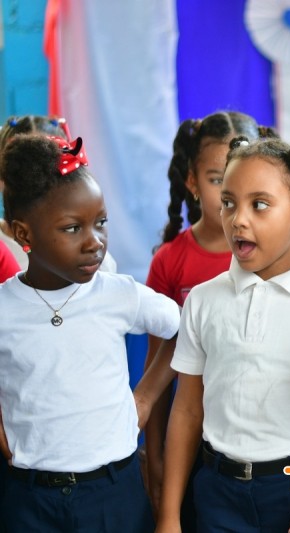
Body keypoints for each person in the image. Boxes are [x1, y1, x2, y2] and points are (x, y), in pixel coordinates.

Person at [156, 136, 290, 532]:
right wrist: (169, 515)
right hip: (218, 494)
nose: (238, 219)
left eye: (260, 204)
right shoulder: (203, 299)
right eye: (228, 202)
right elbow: (187, 410)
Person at [0, 134, 180, 531]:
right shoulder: (4, 307)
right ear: (24, 235)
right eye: (72, 228)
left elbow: (182, 330)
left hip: (112, 493)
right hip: (29, 498)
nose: (94, 242)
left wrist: (146, 397)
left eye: (100, 223)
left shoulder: (118, 294)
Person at [142, 111, 274, 526]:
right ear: (192, 181)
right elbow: (157, 371)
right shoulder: (170, 261)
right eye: (218, 180)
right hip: (193, 443)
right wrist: (156, 455)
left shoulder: (277, 258)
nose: (231, 197)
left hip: (265, 445)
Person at [0, 115, 118, 272]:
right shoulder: (3, 251)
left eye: (54, 168)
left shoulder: (99, 264)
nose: (42, 182)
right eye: (25, 169)